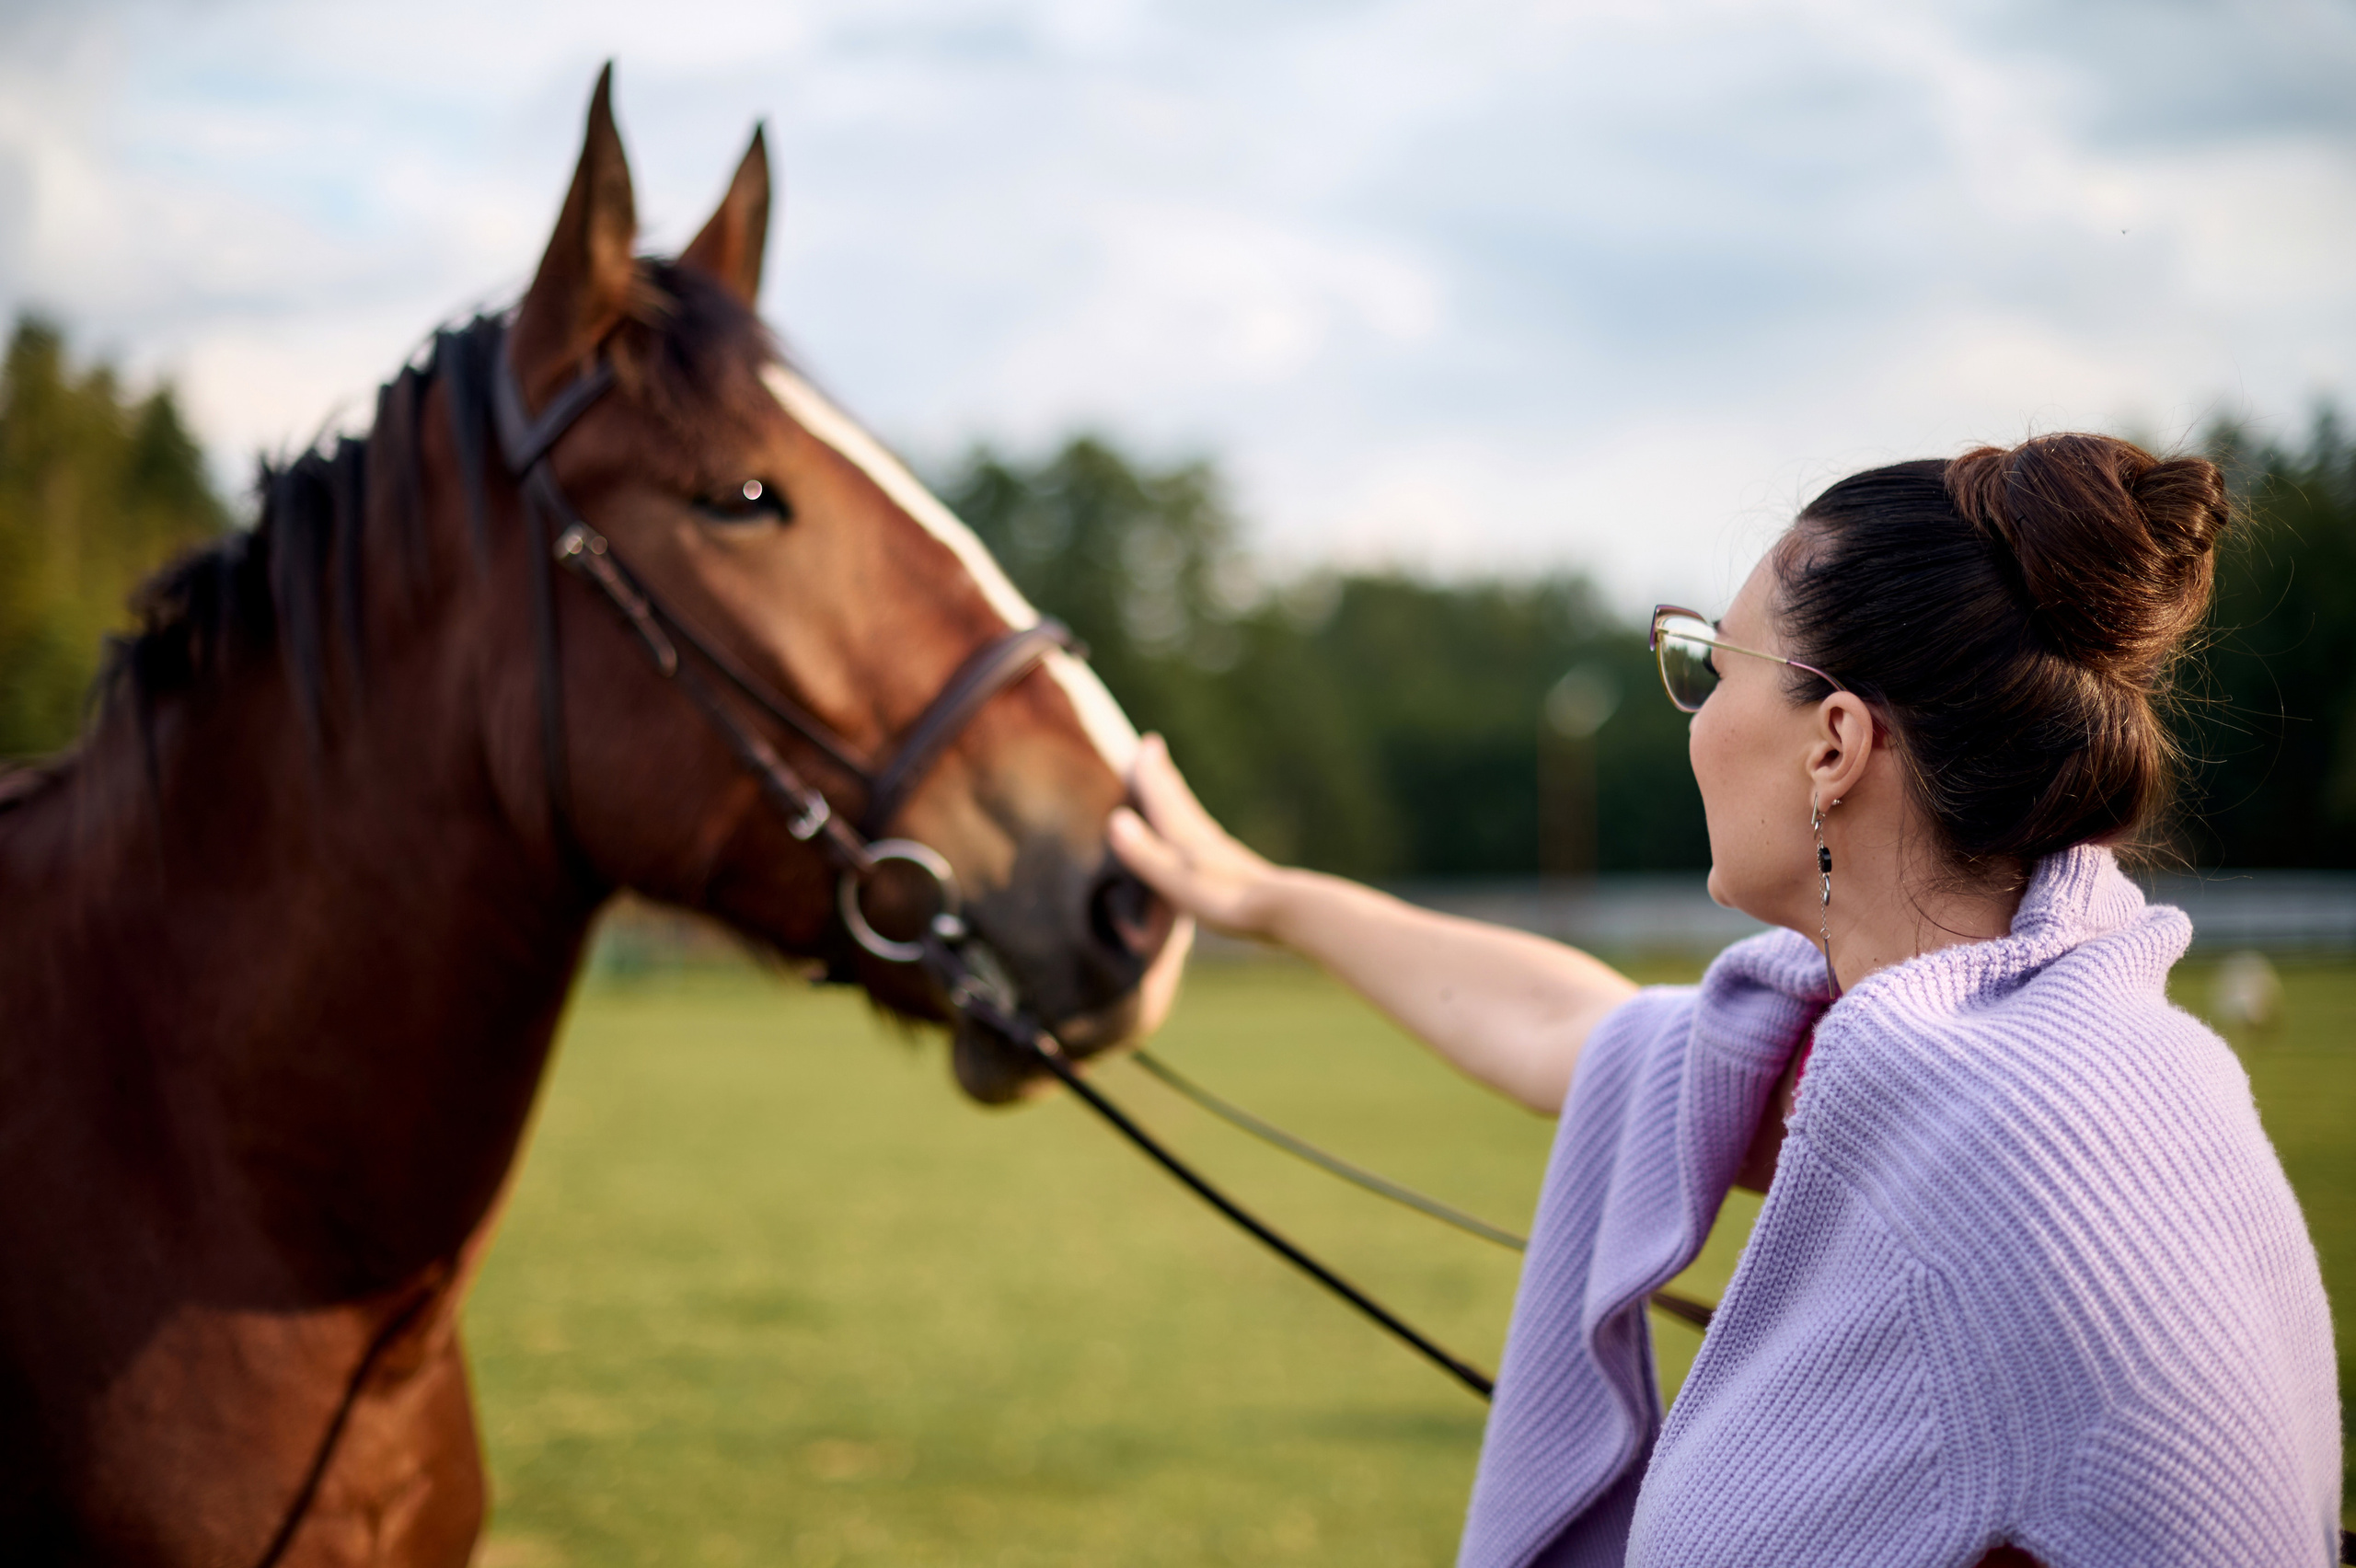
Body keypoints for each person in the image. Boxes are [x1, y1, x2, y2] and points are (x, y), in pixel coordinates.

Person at [1108, 433, 2344, 1567]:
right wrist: (1261, 896)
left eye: (1715, 664)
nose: (1694, 718)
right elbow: (1564, 1028)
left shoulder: (2004, 1158)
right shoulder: (2040, 1055)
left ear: (1834, 744)